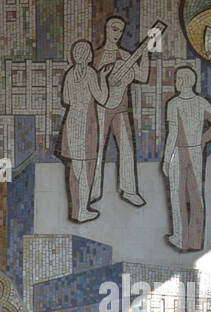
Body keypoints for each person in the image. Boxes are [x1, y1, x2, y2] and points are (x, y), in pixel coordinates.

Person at [162, 66, 211, 252]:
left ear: (187, 81)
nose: (177, 82)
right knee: (196, 197)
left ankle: (180, 239)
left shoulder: (174, 103)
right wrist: (203, 139)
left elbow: (172, 133)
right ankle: (195, 241)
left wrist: (166, 158)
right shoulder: (201, 102)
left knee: (177, 195)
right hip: (196, 152)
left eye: (179, 79)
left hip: (179, 152)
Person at [92, 16, 148, 208]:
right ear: (106, 29)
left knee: (126, 148)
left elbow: (142, 76)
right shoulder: (96, 55)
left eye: (120, 30)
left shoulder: (126, 56)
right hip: (101, 108)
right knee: (97, 148)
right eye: (114, 29)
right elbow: (90, 82)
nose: (117, 33)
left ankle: (129, 190)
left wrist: (145, 54)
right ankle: (92, 191)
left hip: (121, 109)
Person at [56, 40, 110, 223]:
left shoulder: (70, 74)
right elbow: (102, 98)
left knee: (75, 170)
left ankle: (76, 210)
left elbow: (66, 98)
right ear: (88, 56)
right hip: (87, 123)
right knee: (87, 168)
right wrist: (103, 78)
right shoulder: (90, 73)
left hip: (72, 121)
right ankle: (83, 210)